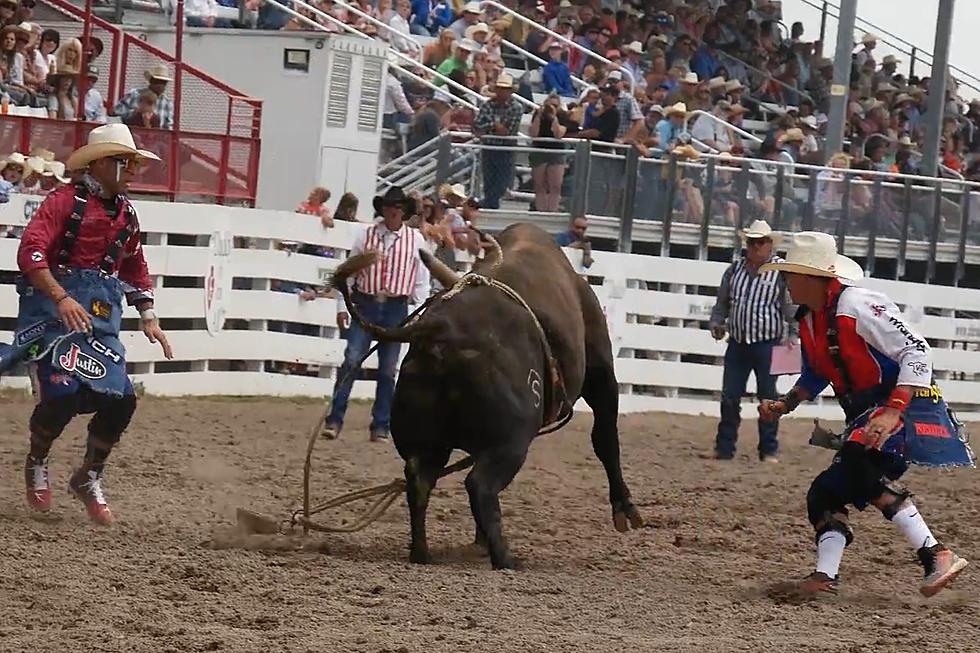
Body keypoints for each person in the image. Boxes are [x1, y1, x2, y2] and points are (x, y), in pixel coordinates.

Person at [758, 231, 974, 597]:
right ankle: (825, 578)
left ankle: (936, 553)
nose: (786, 282)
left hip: (903, 406)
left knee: (859, 464)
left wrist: (893, 410)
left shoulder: (856, 305)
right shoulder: (811, 317)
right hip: (870, 413)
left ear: (810, 276)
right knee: (824, 493)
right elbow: (818, 370)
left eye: (790, 274)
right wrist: (787, 403)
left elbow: (916, 350)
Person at [0, 124, 174, 526]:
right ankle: (38, 460)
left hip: (99, 317)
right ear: (100, 164)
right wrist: (60, 297)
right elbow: (31, 253)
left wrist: (147, 313)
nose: (132, 170)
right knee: (61, 393)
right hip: (51, 315)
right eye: (124, 162)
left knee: (122, 398)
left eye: (133, 163)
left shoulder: (126, 214)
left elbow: (134, 264)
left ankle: (89, 475)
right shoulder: (62, 202)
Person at [321, 186, 430, 442]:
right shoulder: (365, 235)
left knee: (388, 369)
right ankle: (335, 419)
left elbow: (421, 281)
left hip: (396, 306)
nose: (392, 211)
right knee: (352, 359)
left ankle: (380, 423)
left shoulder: (416, 240)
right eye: (389, 206)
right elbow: (347, 273)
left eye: (397, 207)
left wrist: (416, 311)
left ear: (403, 212)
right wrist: (342, 305)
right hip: (365, 302)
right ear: (383, 209)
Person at [709, 220, 795, 462]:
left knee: (768, 398)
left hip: (768, 344)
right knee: (729, 396)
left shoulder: (780, 272)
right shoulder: (734, 270)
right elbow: (722, 304)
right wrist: (717, 323)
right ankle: (725, 448)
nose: (755, 247)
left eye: (760, 242)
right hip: (738, 342)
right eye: (752, 242)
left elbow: (791, 307)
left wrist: (793, 336)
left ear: (770, 245)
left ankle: (768, 448)